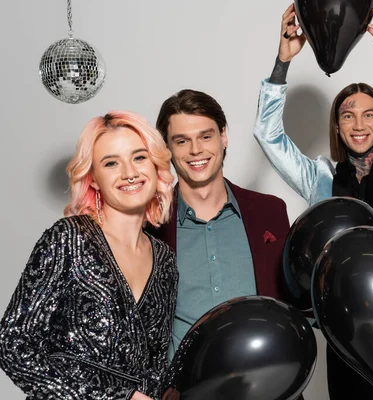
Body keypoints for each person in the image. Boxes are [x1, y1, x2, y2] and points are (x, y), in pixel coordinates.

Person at [253, 1, 373, 398]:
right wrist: (282, 61)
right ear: (337, 127)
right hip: (346, 336)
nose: (359, 124)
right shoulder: (318, 177)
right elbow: (267, 135)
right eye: (348, 115)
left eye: (369, 115)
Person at [0, 111, 178, 400]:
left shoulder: (165, 260)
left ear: (156, 165)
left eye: (139, 157)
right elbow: (12, 343)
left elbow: (154, 366)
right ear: (93, 178)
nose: (130, 173)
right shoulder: (68, 239)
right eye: (111, 163)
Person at [150, 89, 291, 363]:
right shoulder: (152, 225)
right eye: (181, 141)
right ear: (166, 149)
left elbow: (294, 299)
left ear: (223, 136)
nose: (195, 150)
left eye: (205, 136)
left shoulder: (270, 211)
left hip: (269, 385)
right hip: (185, 390)